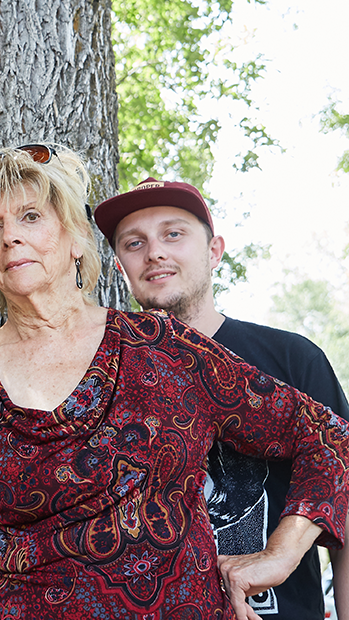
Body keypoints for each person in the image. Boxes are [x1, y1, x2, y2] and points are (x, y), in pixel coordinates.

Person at [0, 143, 349, 620]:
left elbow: (328, 435)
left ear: (75, 240)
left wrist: (281, 555)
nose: (10, 237)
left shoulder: (163, 347)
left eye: (30, 217)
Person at [93, 176, 349, 619]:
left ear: (214, 251)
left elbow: (344, 501)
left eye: (174, 234)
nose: (155, 252)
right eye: (134, 243)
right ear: (120, 267)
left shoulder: (291, 358)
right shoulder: (102, 377)